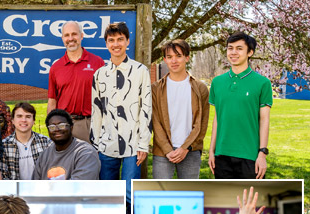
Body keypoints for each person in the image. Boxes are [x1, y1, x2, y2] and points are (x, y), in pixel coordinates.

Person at [91, 22, 151, 184]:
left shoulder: (141, 71)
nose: (116, 44)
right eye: (111, 40)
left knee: (129, 192)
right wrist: (95, 145)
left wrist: (143, 144)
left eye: (120, 39)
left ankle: (128, 211)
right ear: (106, 43)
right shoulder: (99, 74)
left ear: (127, 41)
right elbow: (96, 112)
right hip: (106, 144)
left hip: (133, 145)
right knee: (108, 195)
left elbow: (146, 109)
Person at [208, 32, 272, 179]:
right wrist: (211, 151)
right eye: (230, 48)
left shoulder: (262, 83)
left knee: (250, 201)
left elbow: (264, 120)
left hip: (250, 156)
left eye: (239, 48)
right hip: (222, 154)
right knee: (225, 201)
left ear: (250, 52)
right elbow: (218, 118)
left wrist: (262, 153)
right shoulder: (217, 82)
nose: (233, 52)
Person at [152, 39, 209, 179]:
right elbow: (155, 122)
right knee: (160, 195)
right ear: (165, 60)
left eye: (178, 56)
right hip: (163, 153)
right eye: (170, 57)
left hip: (191, 151)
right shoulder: (156, 88)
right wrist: (167, 150)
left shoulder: (199, 87)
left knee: (190, 196)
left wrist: (186, 148)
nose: (174, 61)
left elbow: (202, 123)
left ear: (187, 57)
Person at [48, 21, 105, 143]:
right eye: (66, 35)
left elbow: (105, 97)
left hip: (89, 124)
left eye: (74, 34)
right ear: (62, 38)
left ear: (81, 36)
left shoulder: (97, 62)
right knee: (63, 162)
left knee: (91, 161)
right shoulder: (56, 67)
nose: (70, 38)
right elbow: (52, 100)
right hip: (63, 125)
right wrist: (51, 126)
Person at [33, 109, 100, 180]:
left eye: (62, 125)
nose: (57, 129)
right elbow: (36, 185)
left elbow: (79, 187)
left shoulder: (86, 153)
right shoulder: (44, 155)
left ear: (71, 128)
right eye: (52, 127)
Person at [0, 102, 52, 180]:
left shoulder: (46, 143)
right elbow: (4, 176)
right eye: (19, 116)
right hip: (14, 191)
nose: (24, 120)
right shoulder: (3, 146)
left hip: (41, 189)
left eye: (28, 116)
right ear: (12, 120)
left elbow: (52, 171)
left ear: (33, 121)